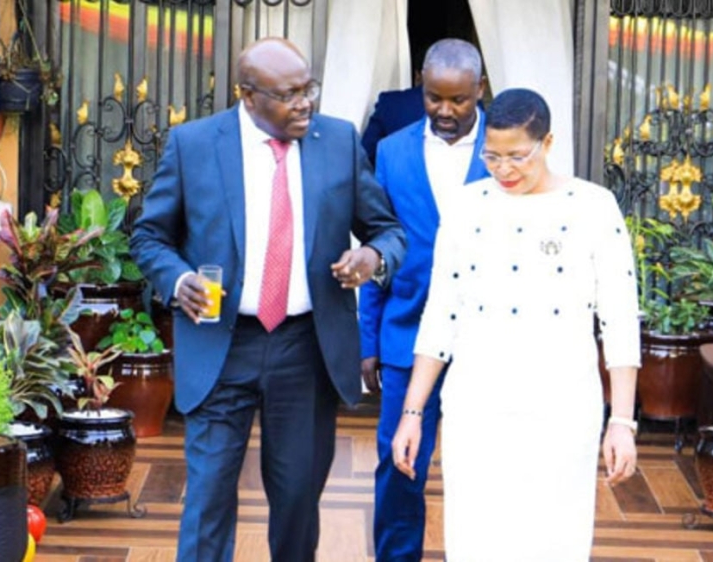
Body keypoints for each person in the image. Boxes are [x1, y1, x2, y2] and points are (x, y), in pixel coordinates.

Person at [130, 37, 406, 561]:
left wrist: (372, 257)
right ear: (248, 95)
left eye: (309, 89)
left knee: (298, 501)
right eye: (289, 94)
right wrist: (176, 278)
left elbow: (387, 231)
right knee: (208, 499)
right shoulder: (194, 145)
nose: (305, 103)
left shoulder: (339, 142)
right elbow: (149, 238)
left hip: (305, 348)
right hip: (220, 343)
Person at [391, 88, 640, 561]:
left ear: (547, 143)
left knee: (555, 539)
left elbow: (620, 322)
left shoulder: (593, 207)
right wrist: (412, 413)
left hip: (563, 407)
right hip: (477, 405)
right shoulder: (466, 207)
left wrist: (622, 422)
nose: (503, 169)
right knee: (477, 539)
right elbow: (441, 315)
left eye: (517, 157)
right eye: (492, 156)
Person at [358, 38, 488, 562]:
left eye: (459, 100)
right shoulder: (391, 151)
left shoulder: (506, 148)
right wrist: (368, 338)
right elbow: (375, 246)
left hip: (486, 337)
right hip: (404, 336)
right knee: (398, 462)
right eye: (435, 98)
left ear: (481, 89)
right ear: (421, 84)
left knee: (480, 463)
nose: (446, 111)